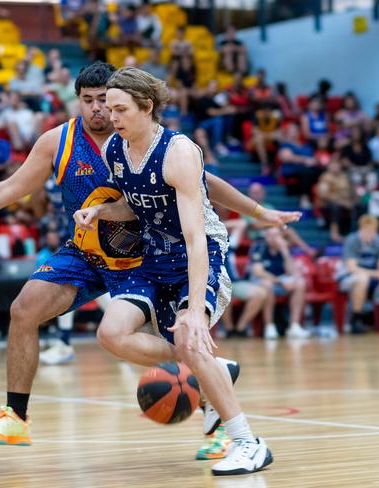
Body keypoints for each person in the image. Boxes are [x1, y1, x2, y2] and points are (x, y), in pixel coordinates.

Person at [0, 62, 298, 455]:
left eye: (107, 101)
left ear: (129, 101)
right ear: (78, 101)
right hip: (87, 252)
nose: (100, 110)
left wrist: (256, 211)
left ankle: (219, 420)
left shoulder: (155, 143)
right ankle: (15, 417)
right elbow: (13, 187)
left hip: (142, 254)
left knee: (183, 333)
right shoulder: (59, 141)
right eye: (90, 101)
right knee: (24, 308)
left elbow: (204, 182)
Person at [74, 66, 282, 475]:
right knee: (111, 333)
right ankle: (212, 369)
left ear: (147, 107)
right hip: (153, 256)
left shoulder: (179, 152)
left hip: (199, 253)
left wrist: (195, 314)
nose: (110, 117)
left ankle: (249, 443)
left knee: (190, 336)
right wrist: (100, 210)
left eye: (120, 109)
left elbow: (195, 235)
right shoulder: (115, 148)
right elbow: (135, 204)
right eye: (109, 109)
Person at [337, 215, 379, 334]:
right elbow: (352, 268)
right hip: (349, 278)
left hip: (373, 277)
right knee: (362, 279)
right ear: (360, 229)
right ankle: (356, 320)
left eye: (373, 231)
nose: (370, 234)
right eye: (367, 231)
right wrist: (376, 273)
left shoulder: (378, 240)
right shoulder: (352, 240)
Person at [247, 227, 310, 340]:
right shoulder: (259, 247)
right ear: (266, 237)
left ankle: (294, 326)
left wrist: (285, 252)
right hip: (259, 281)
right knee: (267, 285)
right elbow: (258, 272)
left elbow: (292, 272)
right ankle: (269, 326)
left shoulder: (284, 248)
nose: (275, 238)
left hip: (280, 281)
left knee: (300, 283)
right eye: (271, 235)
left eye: (277, 235)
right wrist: (281, 281)